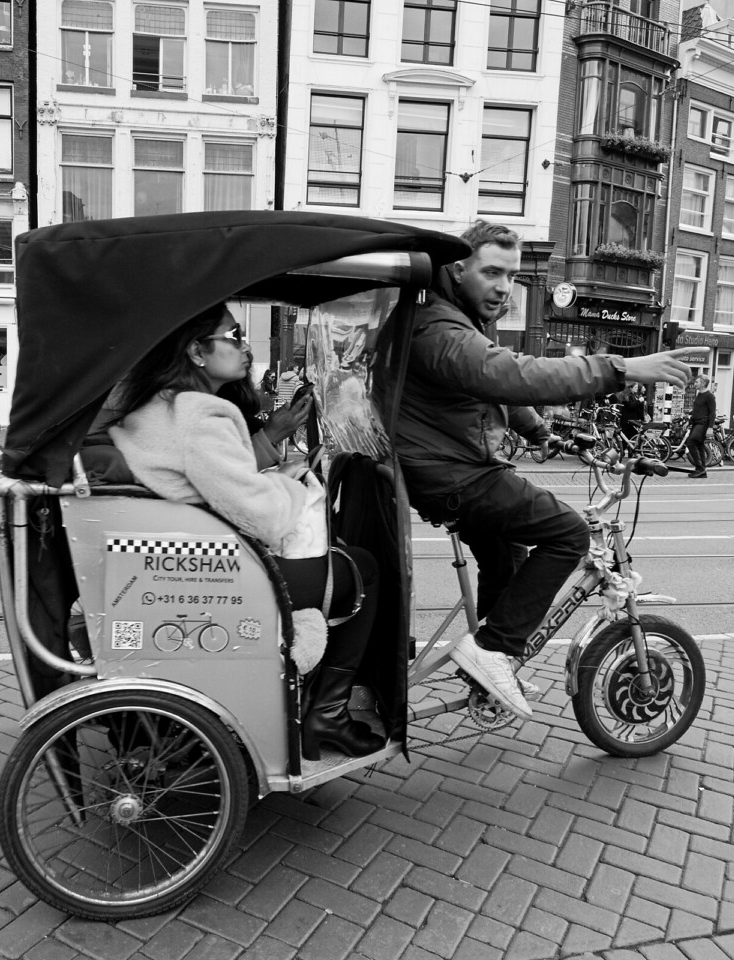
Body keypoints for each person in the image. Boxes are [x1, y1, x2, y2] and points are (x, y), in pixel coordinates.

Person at [393, 221, 692, 721]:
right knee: (567, 533)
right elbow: (503, 373)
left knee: (506, 553)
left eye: (512, 276)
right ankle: (490, 650)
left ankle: (487, 658)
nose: (504, 287)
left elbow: (488, 386)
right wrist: (619, 368)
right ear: (458, 269)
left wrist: (540, 433)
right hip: (449, 472)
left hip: (448, 465)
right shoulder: (437, 324)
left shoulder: (456, 315)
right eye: (491, 272)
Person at [108, 303, 384, 762]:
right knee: (364, 568)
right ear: (197, 350)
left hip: (181, 564)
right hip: (220, 577)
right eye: (233, 336)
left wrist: (269, 466)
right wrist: (292, 482)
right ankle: (328, 714)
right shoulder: (200, 416)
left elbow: (211, 481)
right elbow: (266, 518)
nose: (244, 346)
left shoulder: (161, 406)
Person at [685, 375, 715, 480]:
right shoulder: (699, 394)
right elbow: (697, 409)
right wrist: (689, 419)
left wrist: (710, 428)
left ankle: (699, 468)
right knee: (699, 445)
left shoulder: (709, 396)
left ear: (703, 383)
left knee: (691, 442)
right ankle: (702, 471)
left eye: (697, 382)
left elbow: (712, 413)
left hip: (703, 424)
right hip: (696, 423)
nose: (695, 384)